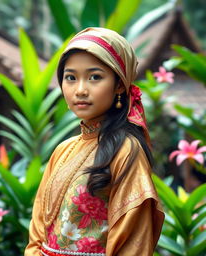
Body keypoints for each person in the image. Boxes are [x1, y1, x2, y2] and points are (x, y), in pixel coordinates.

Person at [25, 27, 164, 256]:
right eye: (71, 77)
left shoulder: (126, 150)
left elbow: (133, 243)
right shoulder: (63, 150)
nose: (80, 90)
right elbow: (38, 228)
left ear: (119, 84)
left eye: (95, 77)